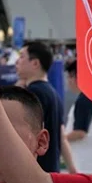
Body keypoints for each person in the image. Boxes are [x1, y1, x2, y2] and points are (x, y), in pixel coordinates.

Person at [15, 41, 66, 173]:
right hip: (50, 170)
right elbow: (61, 135)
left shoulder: (33, 93)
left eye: (21, 57)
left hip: (35, 172)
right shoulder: (53, 93)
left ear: (35, 63)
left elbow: (24, 134)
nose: (17, 61)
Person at [64, 59, 92, 174]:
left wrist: (60, 139)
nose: (68, 81)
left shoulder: (84, 99)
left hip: (83, 166)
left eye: (69, 77)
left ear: (77, 77)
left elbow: (80, 132)